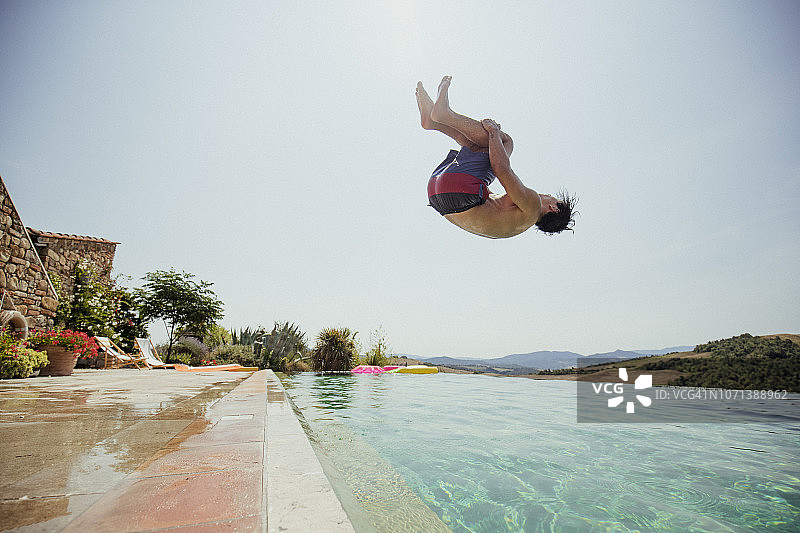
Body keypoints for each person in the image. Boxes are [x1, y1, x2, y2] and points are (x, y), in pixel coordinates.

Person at [417, 76, 576, 238]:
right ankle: (434, 122)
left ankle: (445, 115)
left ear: (554, 208)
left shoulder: (533, 205)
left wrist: (493, 131)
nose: (548, 194)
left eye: (554, 198)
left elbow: (501, 169)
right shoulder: (513, 222)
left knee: (506, 142)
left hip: (460, 191)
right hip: (437, 196)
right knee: (480, 148)